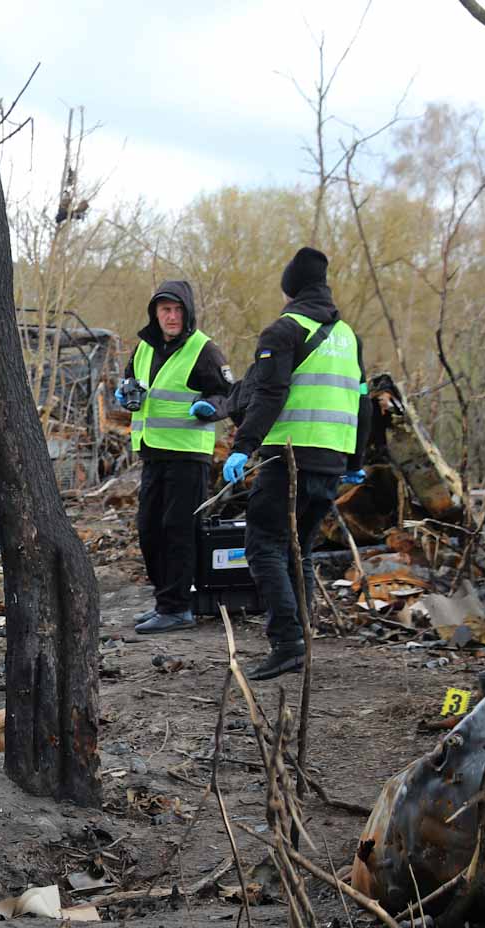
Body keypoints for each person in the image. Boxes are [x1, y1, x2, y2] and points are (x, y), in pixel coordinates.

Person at [222, 247, 370, 679]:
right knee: (299, 551)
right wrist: (355, 459)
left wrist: (241, 446)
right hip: (329, 463)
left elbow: (270, 393)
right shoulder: (348, 336)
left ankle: (287, 643)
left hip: (287, 458)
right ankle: (302, 637)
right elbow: (362, 404)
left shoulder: (284, 330)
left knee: (264, 548)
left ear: (290, 288)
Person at [118, 280, 232, 634]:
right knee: (149, 530)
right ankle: (164, 602)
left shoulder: (204, 350)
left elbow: (229, 395)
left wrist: (210, 408)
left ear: (188, 313)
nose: (171, 316)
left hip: (188, 455)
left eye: (178, 310)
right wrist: (124, 393)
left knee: (178, 531)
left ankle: (178, 607)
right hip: (153, 452)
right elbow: (128, 382)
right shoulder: (144, 348)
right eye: (165, 309)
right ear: (155, 313)